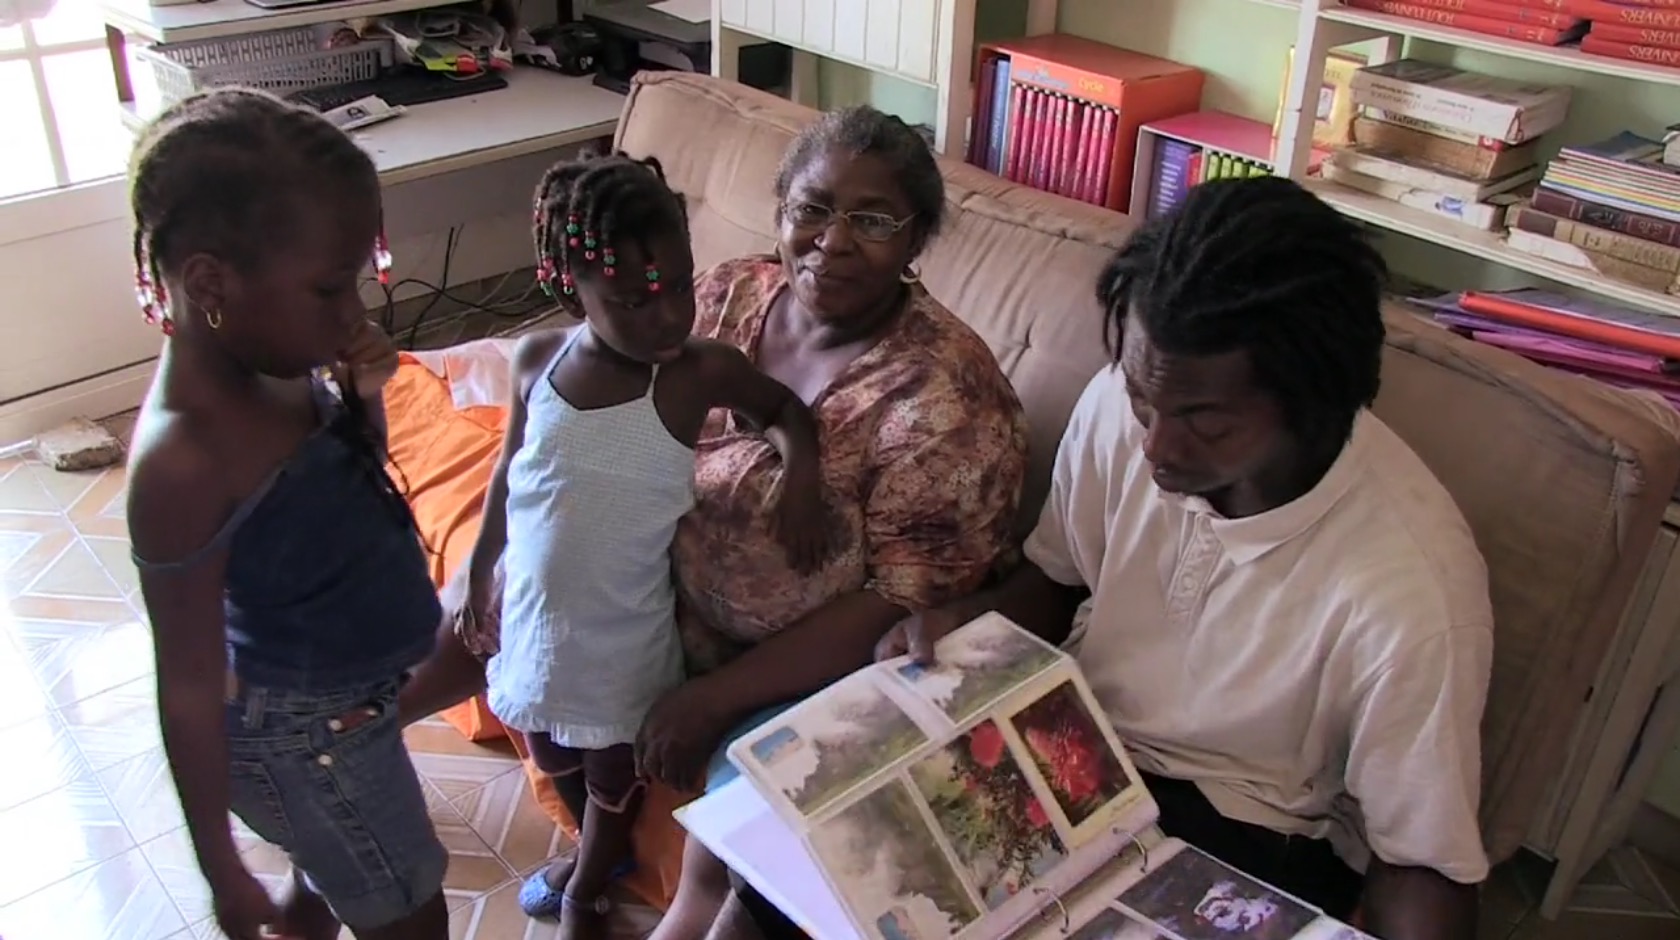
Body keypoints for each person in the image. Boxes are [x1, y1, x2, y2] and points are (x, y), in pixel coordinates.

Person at [878, 177, 1493, 940]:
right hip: (1074, 750)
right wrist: (964, 623)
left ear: (1312, 403)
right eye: (1143, 398)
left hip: (1245, 828)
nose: (1155, 446)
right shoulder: (1122, 402)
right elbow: (1059, 583)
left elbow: (1422, 862)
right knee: (803, 889)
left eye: (1205, 421)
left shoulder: (1413, 589)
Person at [633, 105, 1030, 940]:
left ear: (917, 240)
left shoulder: (946, 396)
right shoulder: (730, 293)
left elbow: (900, 602)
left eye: (873, 221)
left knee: (725, 874)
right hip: (662, 607)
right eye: (812, 209)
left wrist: (716, 698)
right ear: (781, 209)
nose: (834, 241)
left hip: (818, 680)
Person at [450, 151, 829, 939]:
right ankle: (596, 854)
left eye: (679, 287)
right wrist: (480, 567)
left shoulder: (697, 374)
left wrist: (800, 480)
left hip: (622, 635)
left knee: (610, 771)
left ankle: (588, 888)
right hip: (535, 615)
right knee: (548, 745)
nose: (665, 316)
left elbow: (787, 414)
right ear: (571, 290)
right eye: (631, 299)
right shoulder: (537, 361)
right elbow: (509, 475)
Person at [125, 89, 448, 940]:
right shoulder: (184, 460)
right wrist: (220, 867)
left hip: (348, 707)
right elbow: (187, 684)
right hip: (305, 738)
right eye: (330, 288)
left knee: (324, 883)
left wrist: (362, 397)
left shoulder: (276, 357)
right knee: (412, 914)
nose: (354, 313)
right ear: (210, 283)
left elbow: (344, 493)